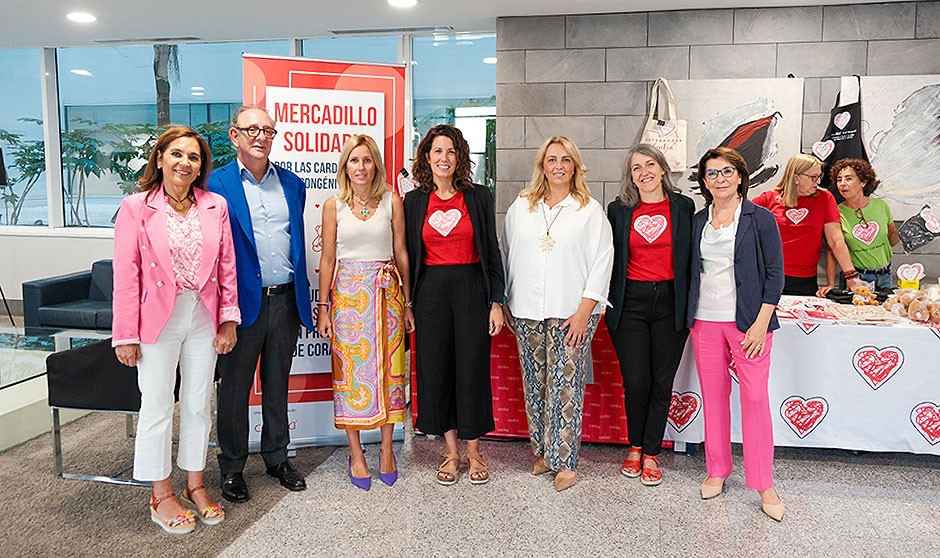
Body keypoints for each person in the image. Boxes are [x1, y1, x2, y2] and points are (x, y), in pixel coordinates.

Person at [112, 126, 239, 533]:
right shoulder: (135, 207)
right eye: (177, 154)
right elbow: (126, 273)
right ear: (160, 158)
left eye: (194, 157)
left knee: (200, 402)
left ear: (202, 166)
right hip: (156, 317)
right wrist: (125, 334)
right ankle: (161, 493)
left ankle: (196, 484)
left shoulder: (214, 204)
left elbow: (227, 266)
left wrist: (228, 318)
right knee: (157, 405)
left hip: (203, 312)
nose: (186, 162)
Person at [209, 105, 314, 503]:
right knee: (234, 389)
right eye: (251, 129)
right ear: (234, 136)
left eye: (267, 129)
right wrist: (223, 314)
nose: (260, 136)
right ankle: (232, 466)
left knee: (277, 383)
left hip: (285, 300)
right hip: (240, 307)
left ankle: (276, 457)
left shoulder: (292, 183)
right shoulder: (216, 185)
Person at [502, 136, 613, 492]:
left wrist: (585, 311)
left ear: (575, 166)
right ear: (542, 166)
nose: (559, 166)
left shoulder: (589, 209)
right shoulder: (522, 206)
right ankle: (544, 453)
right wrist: (507, 299)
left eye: (566, 160)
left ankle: (565, 462)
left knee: (565, 386)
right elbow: (509, 251)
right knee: (535, 384)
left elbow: (602, 261)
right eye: (552, 160)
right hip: (527, 310)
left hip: (573, 312)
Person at [403, 124, 505, 486]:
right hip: (430, 291)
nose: (444, 158)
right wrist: (408, 304)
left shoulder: (478, 196)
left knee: (472, 369)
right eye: (437, 152)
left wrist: (497, 300)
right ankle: (449, 451)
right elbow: (408, 256)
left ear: (460, 157)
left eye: (450, 151)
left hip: (471, 290)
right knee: (436, 370)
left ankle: (474, 450)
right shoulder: (413, 201)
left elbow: (491, 250)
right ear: (426, 158)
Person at [687, 147, 786, 521]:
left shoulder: (760, 219)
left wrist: (762, 322)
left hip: (749, 323)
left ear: (741, 176)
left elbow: (775, 273)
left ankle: (764, 483)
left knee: (756, 400)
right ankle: (717, 469)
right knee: (713, 397)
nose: (720, 179)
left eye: (727, 171)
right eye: (712, 174)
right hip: (705, 320)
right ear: (704, 182)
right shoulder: (698, 221)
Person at [316, 135, 415, 490]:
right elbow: (327, 259)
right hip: (347, 300)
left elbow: (401, 252)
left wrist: (407, 302)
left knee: (391, 373)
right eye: (354, 160)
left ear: (376, 164)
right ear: (346, 166)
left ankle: (387, 448)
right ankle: (356, 453)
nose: (361, 167)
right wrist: (324, 308)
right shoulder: (334, 205)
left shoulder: (392, 201)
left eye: (367, 160)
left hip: (387, 295)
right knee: (352, 376)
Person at [605, 144, 693, 487]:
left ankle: (652, 451)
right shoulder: (619, 210)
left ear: (662, 168)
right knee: (637, 381)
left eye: (650, 164)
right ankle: (635, 445)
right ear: (630, 175)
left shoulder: (683, 206)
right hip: (631, 303)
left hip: (671, 301)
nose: (644, 172)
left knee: (661, 382)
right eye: (636, 167)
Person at [752, 154, 859, 296]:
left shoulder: (825, 198)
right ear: (796, 177)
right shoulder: (769, 198)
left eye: (819, 176)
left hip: (805, 280)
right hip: (768, 277)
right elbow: (740, 222)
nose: (818, 182)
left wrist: (851, 275)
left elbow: (836, 240)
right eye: (813, 177)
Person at [826, 158, 899, 291]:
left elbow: (892, 240)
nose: (842, 184)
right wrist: (830, 284)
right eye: (839, 179)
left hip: (885, 276)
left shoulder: (881, 206)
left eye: (848, 179)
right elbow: (832, 251)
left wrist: (905, 232)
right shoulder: (836, 212)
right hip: (857, 279)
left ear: (863, 182)